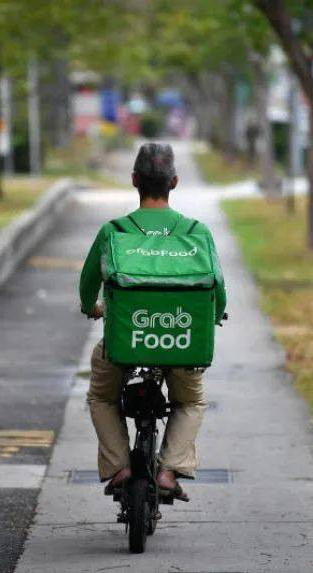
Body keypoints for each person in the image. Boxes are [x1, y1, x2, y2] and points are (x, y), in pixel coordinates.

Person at [78, 142, 227, 501]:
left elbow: (87, 284)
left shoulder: (114, 231)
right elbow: (217, 289)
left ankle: (120, 467)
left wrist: (92, 307)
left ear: (134, 180)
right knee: (190, 402)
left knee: (101, 396)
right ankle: (168, 470)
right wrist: (216, 313)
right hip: (182, 341)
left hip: (124, 340)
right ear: (174, 182)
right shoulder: (196, 232)